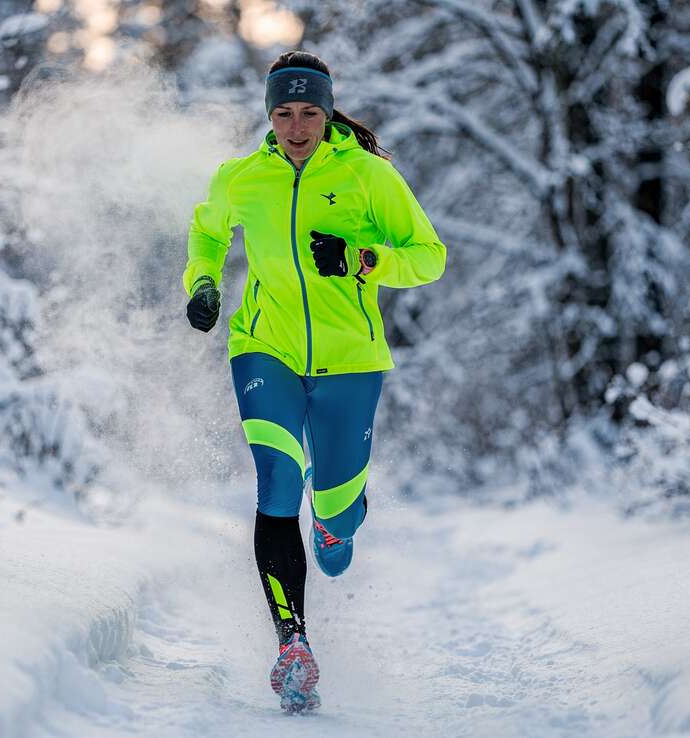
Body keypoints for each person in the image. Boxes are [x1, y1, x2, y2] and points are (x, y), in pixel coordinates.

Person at [182, 50, 446, 713]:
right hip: (262, 348)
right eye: (283, 113)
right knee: (275, 481)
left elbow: (430, 257)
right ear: (268, 115)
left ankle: (340, 520)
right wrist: (205, 284)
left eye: (308, 113)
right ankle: (292, 644)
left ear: (327, 114)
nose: (296, 127)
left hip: (351, 362)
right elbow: (207, 234)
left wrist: (365, 259)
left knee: (330, 516)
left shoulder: (367, 176)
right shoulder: (243, 176)